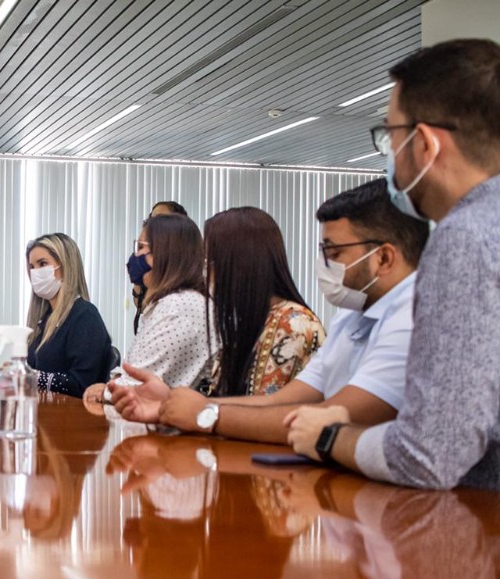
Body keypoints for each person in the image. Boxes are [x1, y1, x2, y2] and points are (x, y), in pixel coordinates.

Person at [286, 39, 500, 490]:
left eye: (390, 135)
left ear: (424, 144)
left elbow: (427, 456)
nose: (390, 154)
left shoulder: (465, 236)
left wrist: (328, 437)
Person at [109, 179, 428, 444]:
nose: (324, 263)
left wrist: (204, 414)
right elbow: (278, 402)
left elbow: (328, 418)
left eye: (333, 252)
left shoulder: (414, 321)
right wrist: (172, 404)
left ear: (384, 258)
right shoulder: (351, 315)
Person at [84, 214, 214, 402]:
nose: (135, 256)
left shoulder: (180, 306)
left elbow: (139, 382)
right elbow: (135, 368)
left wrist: (106, 391)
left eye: (141, 247)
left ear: (165, 252)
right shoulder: (169, 302)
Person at [204, 207, 325, 396]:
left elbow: (261, 408)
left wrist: (203, 408)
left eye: (210, 263)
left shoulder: (294, 325)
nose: (205, 274)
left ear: (238, 266)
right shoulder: (250, 322)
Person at [25, 233, 112, 398]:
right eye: (32, 267)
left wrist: (32, 377)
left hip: (72, 412)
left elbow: (81, 384)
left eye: (42, 264)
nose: (35, 273)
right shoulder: (44, 319)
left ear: (66, 266)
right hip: (42, 409)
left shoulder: (85, 316)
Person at [132, 201, 188, 334]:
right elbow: (141, 306)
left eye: (161, 219)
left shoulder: (184, 269)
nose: (153, 224)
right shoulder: (149, 260)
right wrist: (138, 277)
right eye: (151, 219)